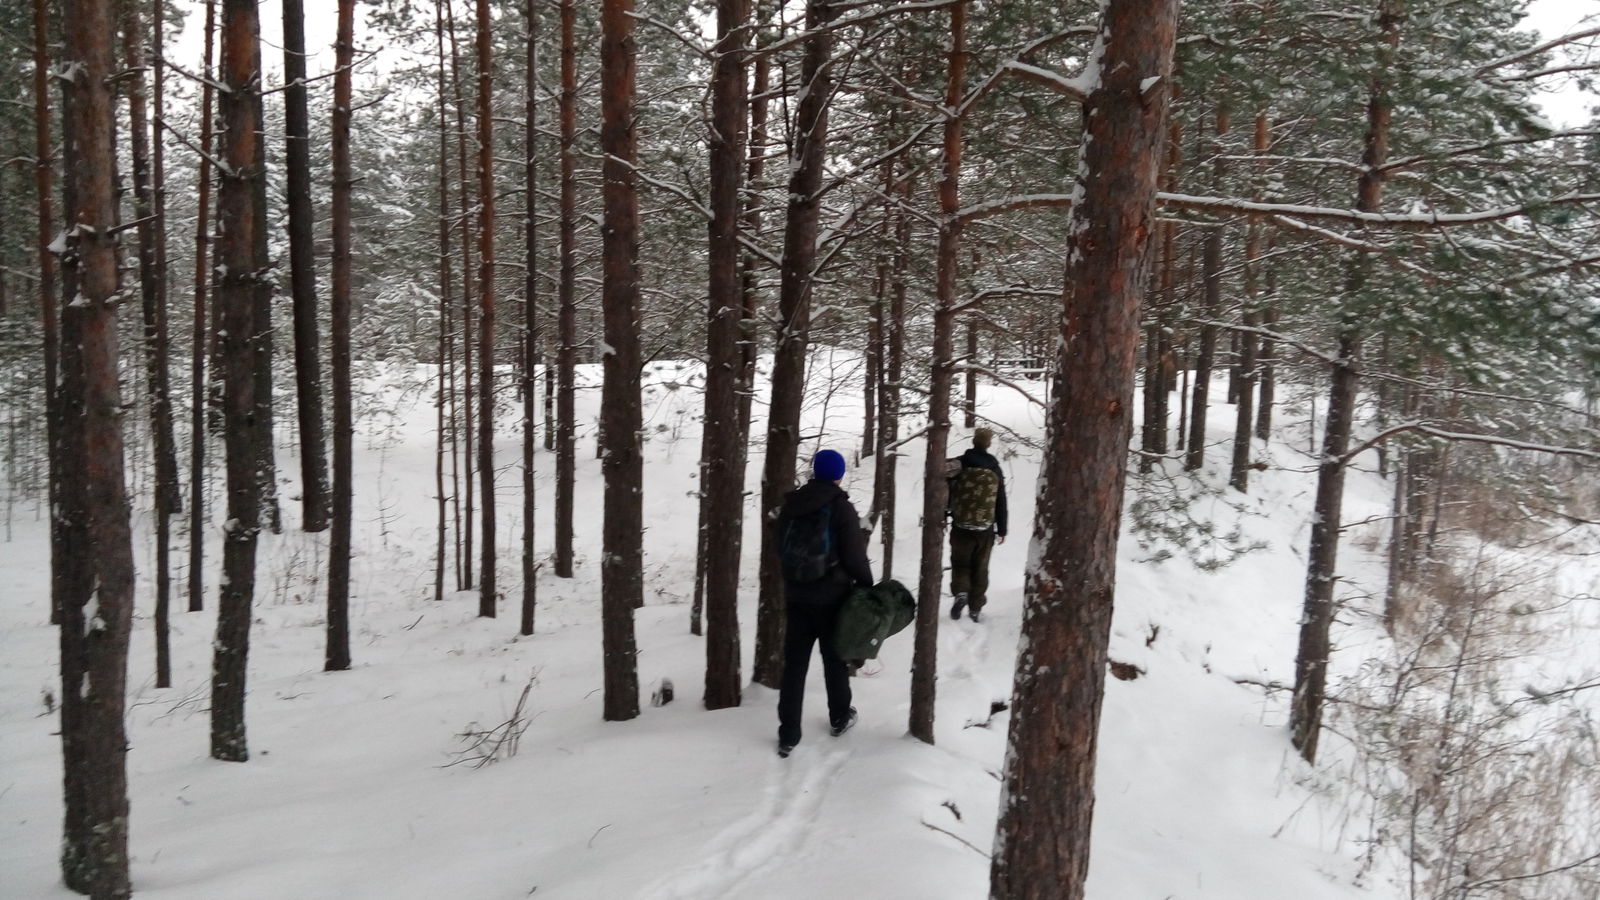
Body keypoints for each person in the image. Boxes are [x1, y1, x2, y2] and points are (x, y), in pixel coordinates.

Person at [775, 449, 873, 758]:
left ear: (815, 472)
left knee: (794, 667)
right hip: (832, 599)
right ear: (838, 474)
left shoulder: (792, 504)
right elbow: (854, 555)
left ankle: (788, 735)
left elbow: (780, 545)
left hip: (796, 597)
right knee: (834, 661)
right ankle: (839, 718)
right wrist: (866, 586)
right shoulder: (841, 508)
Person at [948, 427, 1008, 622]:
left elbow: (945, 489)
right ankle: (975, 608)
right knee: (981, 568)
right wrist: (1002, 528)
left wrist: (943, 513)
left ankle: (961, 594)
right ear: (988, 443)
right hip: (985, 529)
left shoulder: (960, 463)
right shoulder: (995, 468)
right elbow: (1000, 500)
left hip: (961, 526)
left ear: (974, 441)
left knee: (960, 564)